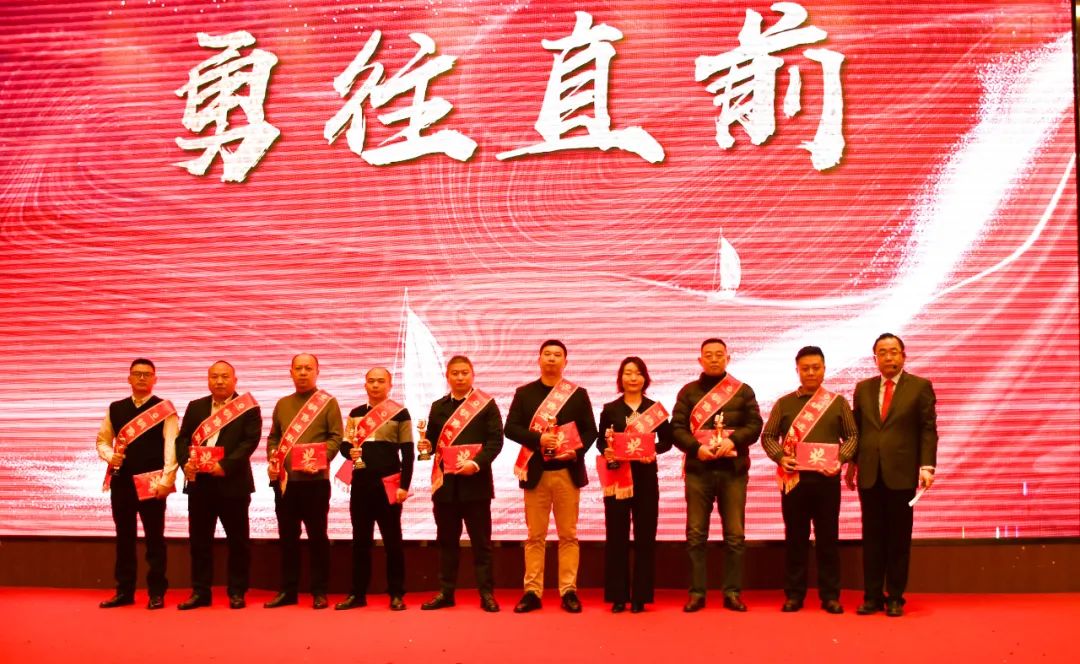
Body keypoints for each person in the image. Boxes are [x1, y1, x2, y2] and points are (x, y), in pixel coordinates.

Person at [761, 346, 858, 614]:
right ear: (797, 370)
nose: (811, 372)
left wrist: (841, 459)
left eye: (816, 367)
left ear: (824, 369)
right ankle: (794, 595)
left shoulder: (837, 402)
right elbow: (767, 436)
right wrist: (781, 457)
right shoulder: (784, 403)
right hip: (794, 481)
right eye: (806, 368)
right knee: (795, 539)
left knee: (828, 539)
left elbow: (852, 436)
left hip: (827, 482)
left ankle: (830, 596)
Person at [848, 333, 938, 617]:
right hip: (869, 473)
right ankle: (872, 596)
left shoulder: (920, 387)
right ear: (875, 358)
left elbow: (927, 429)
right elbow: (857, 430)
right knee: (872, 538)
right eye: (883, 352)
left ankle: (896, 596)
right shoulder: (863, 388)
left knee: (898, 538)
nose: (889, 357)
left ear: (903, 356)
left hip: (901, 473)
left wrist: (927, 466)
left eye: (894, 351)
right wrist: (851, 464)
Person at [505, 340, 598, 613]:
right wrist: (538, 439)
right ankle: (532, 592)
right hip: (536, 474)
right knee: (535, 536)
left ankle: (568, 591)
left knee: (568, 535)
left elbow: (590, 431)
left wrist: (574, 452)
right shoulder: (524, 393)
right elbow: (510, 428)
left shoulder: (577, 394)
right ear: (539, 359)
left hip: (567, 473)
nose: (552, 359)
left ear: (565, 362)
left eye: (557, 355)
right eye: (547, 354)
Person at [672, 338, 763, 612]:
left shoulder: (743, 391)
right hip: (698, 471)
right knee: (695, 534)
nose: (714, 359)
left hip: (733, 472)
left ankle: (732, 592)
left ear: (728, 358)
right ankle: (697, 593)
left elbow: (755, 425)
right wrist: (695, 449)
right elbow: (677, 428)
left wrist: (733, 441)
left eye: (719, 355)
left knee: (734, 535)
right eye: (708, 355)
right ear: (700, 360)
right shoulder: (688, 392)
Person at [417, 356, 504, 613]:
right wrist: (426, 445)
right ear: (447, 376)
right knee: (446, 543)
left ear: (472, 374)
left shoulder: (486, 405)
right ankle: (446, 592)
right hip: (445, 487)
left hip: (476, 485)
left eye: (464, 372)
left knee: (481, 544)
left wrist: (476, 464)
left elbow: (495, 442)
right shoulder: (438, 407)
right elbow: (432, 442)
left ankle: (486, 593)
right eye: (455, 373)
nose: (460, 377)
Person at [175, 360, 262, 610]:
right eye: (214, 376)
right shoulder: (196, 406)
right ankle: (200, 592)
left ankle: (237, 591)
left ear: (235, 380)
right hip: (200, 485)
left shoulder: (248, 407)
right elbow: (182, 439)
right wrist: (185, 463)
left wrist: (225, 466)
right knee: (199, 541)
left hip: (233, 484)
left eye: (225, 376)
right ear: (208, 380)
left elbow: (249, 441)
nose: (220, 381)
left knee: (238, 541)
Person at [95, 358, 178, 610]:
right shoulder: (115, 408)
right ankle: (124, 591)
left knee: (155, 539)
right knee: (124, 538)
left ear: (155, 379)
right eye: (137, 374)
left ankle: (156, 592)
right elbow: (102, 440)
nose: (142, 378)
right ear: (129, 378)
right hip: (121, 482)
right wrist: (110, 456)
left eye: (147, 374)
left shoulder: (164, 409)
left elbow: (171, 446)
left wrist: (167, 480)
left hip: (152, 482)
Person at [596, 356, 675, 613]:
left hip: (645, 477)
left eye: (638, 373)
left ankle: (641, 596)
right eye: (628, 373)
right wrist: (607, 451)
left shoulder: (655, 410)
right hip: (618, 478)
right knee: (616, 536)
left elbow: (667, 441)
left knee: (645, 537)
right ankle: (618, 596)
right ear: (621, 378)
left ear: (645, 378)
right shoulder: (610, 409)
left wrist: (654, 451)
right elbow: (600, 441)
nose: (633, 377)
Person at [265, 353, 343, 610]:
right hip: (286, 483)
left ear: (317, 372)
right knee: (287, 538)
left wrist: (321, 459)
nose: (302, 373)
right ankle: (288, 591)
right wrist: (273, 457)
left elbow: (336, 437)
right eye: (298, 368)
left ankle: (319, 591)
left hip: (315, 482)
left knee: (317, 537)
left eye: (308, 368)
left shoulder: (328, 403)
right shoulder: (282, 404)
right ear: (290, 372)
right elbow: (274, 438)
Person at [335, 367, 413, 611]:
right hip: (360, 486)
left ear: (390, 385)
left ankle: (396, 594)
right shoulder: (356, 413)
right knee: (360, 542)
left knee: (393, 542)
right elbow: (344, 446)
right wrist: (350, 451)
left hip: (388, 486)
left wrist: (404, 486)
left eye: (381, 381)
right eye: (371, 381)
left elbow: (408, 453)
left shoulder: (400, 413)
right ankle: (357, 594)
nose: (376, 385)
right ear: (365, 385)